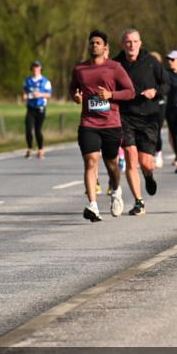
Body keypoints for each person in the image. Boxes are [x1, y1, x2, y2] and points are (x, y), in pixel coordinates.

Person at [70, 30, 135, 222]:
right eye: (91, 43)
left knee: (112, 164)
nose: (94, 46)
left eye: (98, 43)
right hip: (88, 123)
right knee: (91, 161)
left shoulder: (114, 67)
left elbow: (130, 92)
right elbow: (73, 87)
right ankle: (93, 205)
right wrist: (75, 95)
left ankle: (116, 190)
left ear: (105, 47)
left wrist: (111, 96)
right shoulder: (79, 69)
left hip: (111, 124)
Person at [114, 28, 168, 216]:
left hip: (148, 116)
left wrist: (156, 92)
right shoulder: (115, 64)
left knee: (146, 162)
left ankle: (148, 175)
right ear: (122, 44)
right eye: (128, 42)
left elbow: (166, 84)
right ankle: (139, 201)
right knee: (130, 156)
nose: (132, 45)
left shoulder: (151, 62)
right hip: (124, 116)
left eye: (135, 41)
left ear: (140, 43)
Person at [23, 60, 52, 159]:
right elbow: (25, 91)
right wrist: (25, 95)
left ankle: (40, 149)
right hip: (30, 108)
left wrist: (40, 94)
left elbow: (49, 94)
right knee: (28, 129)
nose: (35, 69)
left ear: (40, 69)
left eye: (37, 67)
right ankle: (30, 148)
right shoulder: (28, 80)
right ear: (32, 69)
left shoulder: (45, 81)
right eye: (34, 67)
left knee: (37, 130)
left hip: (40, 108)